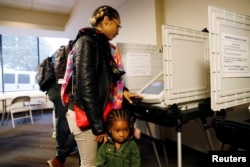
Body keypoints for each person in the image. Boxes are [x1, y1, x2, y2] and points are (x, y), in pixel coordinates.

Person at [64, 5, 142, 167]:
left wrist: (124, 91)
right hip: (85, 114)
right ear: (106, 20)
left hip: (94, 113)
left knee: (98, 161)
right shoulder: (87, 42)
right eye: (117, 25)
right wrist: (98, 126)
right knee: (90, 163)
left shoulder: (102, 45)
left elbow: (108, 77)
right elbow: (86, 87)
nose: (118, 30)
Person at [46, 77, 77, 166]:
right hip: (61, 89)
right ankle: (61, 154)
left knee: (61, 121)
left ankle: (61, 153)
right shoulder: (68, 64)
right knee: (66, 124)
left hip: (54, 89)